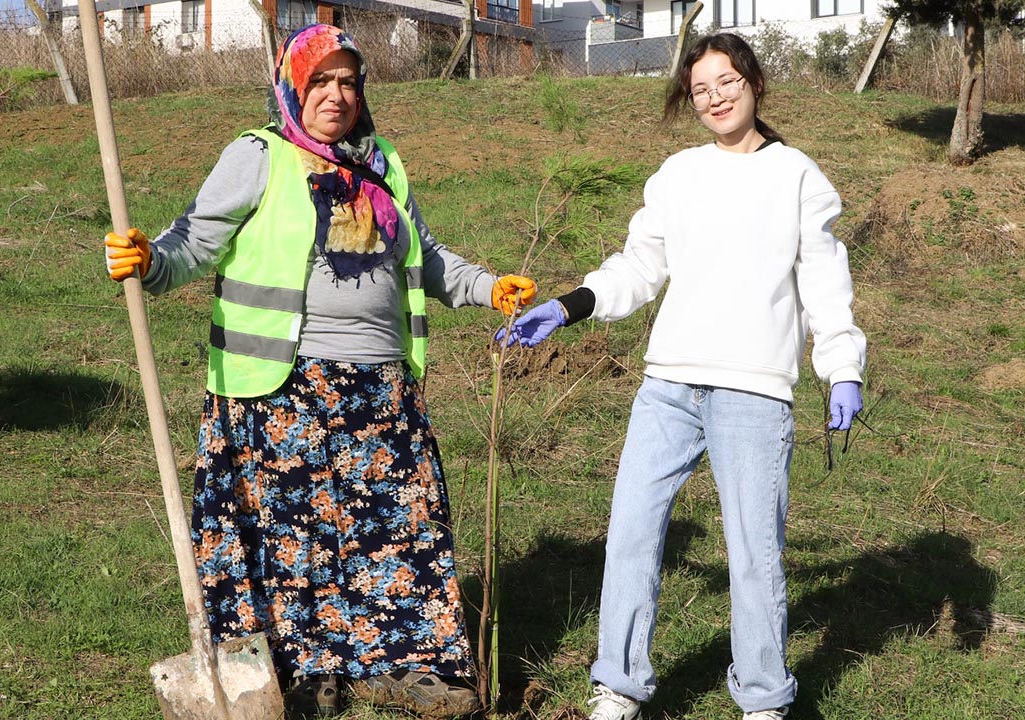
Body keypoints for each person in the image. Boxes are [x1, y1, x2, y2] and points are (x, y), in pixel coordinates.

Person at [103, 24, 536, 719]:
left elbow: (422, 256)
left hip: (381, 385)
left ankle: (407, 665)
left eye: (348, 82)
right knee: (291, 536)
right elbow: (191, 241)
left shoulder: (383, 162)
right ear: (293, 87)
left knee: (399, 530)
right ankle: (306, 667)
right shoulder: (260, 155)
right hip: (281, 384)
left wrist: (489, 287)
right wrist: (145, 259)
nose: (336, 95)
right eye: (321, 81)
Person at [498, 32, 866, 720]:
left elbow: (825, 281)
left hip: (754, 393)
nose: (715, 97)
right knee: (633, 533)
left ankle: (762, 700)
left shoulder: (797, 177)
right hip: (667, 388)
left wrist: (840, 366)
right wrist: (569, 306)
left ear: (753, 83)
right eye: (700, 89)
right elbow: (639, 268)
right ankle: (619, 686)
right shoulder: (678, 175)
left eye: (726, 82)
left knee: (756, 555)